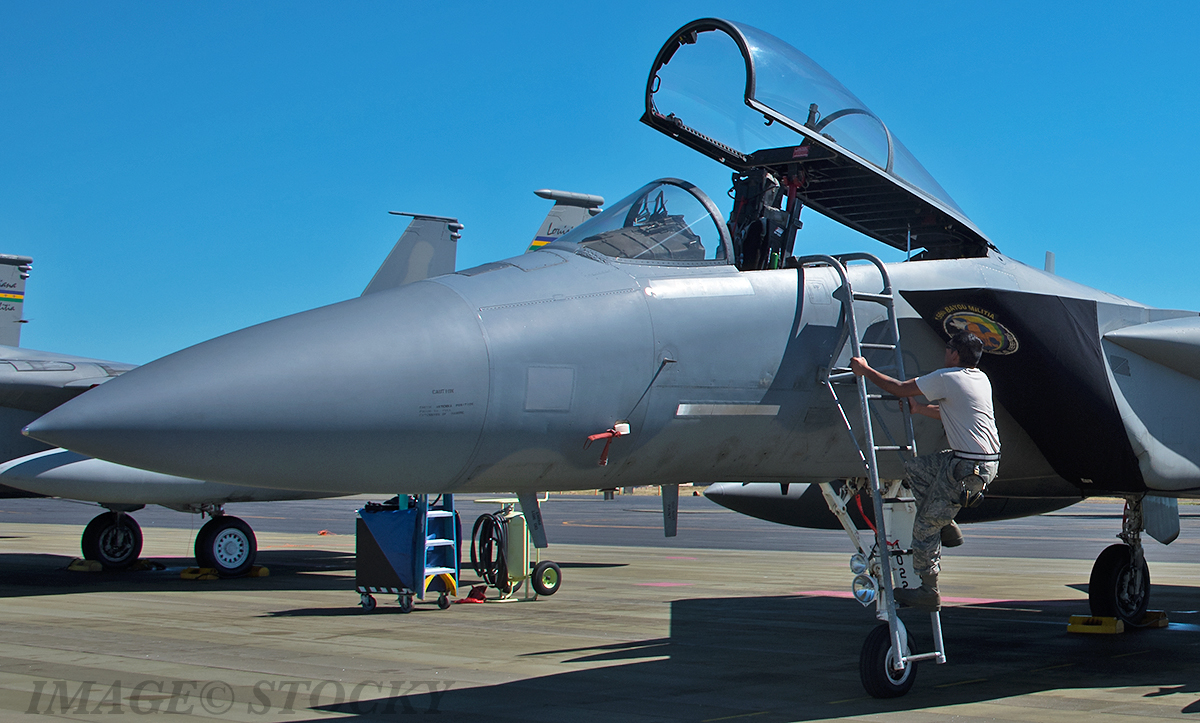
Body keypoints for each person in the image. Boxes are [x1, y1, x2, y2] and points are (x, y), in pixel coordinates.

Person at [849, 330, 1000, 612]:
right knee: (917, 469)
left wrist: (865, 370)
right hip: (975, 462)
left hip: (968, 467)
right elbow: (952, 413)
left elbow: (898, 387)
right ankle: (947, 525)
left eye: (948, 348)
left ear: (955, 354)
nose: (945, 352)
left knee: (924, 526)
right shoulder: (979, 378)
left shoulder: (948, 377)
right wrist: (919, 409)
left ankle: (929, 590)